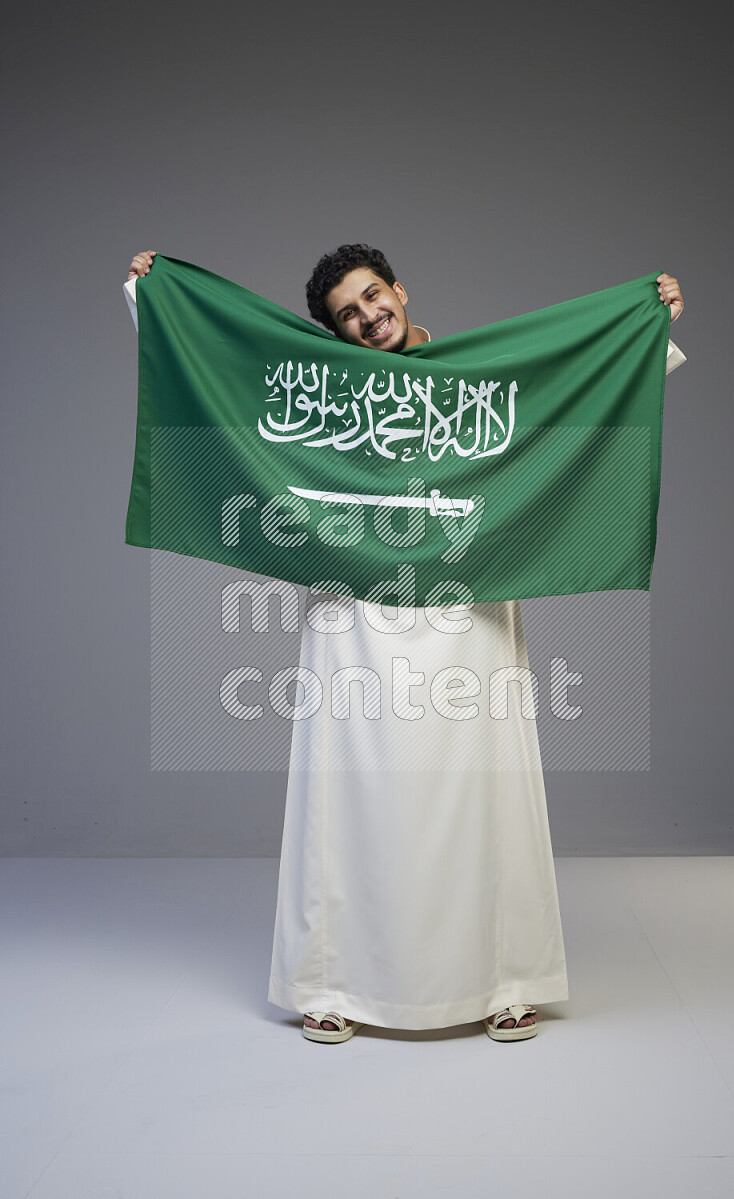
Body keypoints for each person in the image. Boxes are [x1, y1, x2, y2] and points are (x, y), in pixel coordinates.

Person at [125, 247, 686, 1044]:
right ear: (336, 333)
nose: (368, 315)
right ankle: (331, 983)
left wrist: (644, 325)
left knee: (485, 793)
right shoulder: (323, 397)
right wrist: (159, 298)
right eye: (348, 313)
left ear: (399, 290)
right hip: (353, 619)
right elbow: (222, 376)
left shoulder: (483, 386)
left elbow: (580, 389)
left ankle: (506, 979)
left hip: (469, 613)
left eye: (373, 295)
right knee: (346, 795)